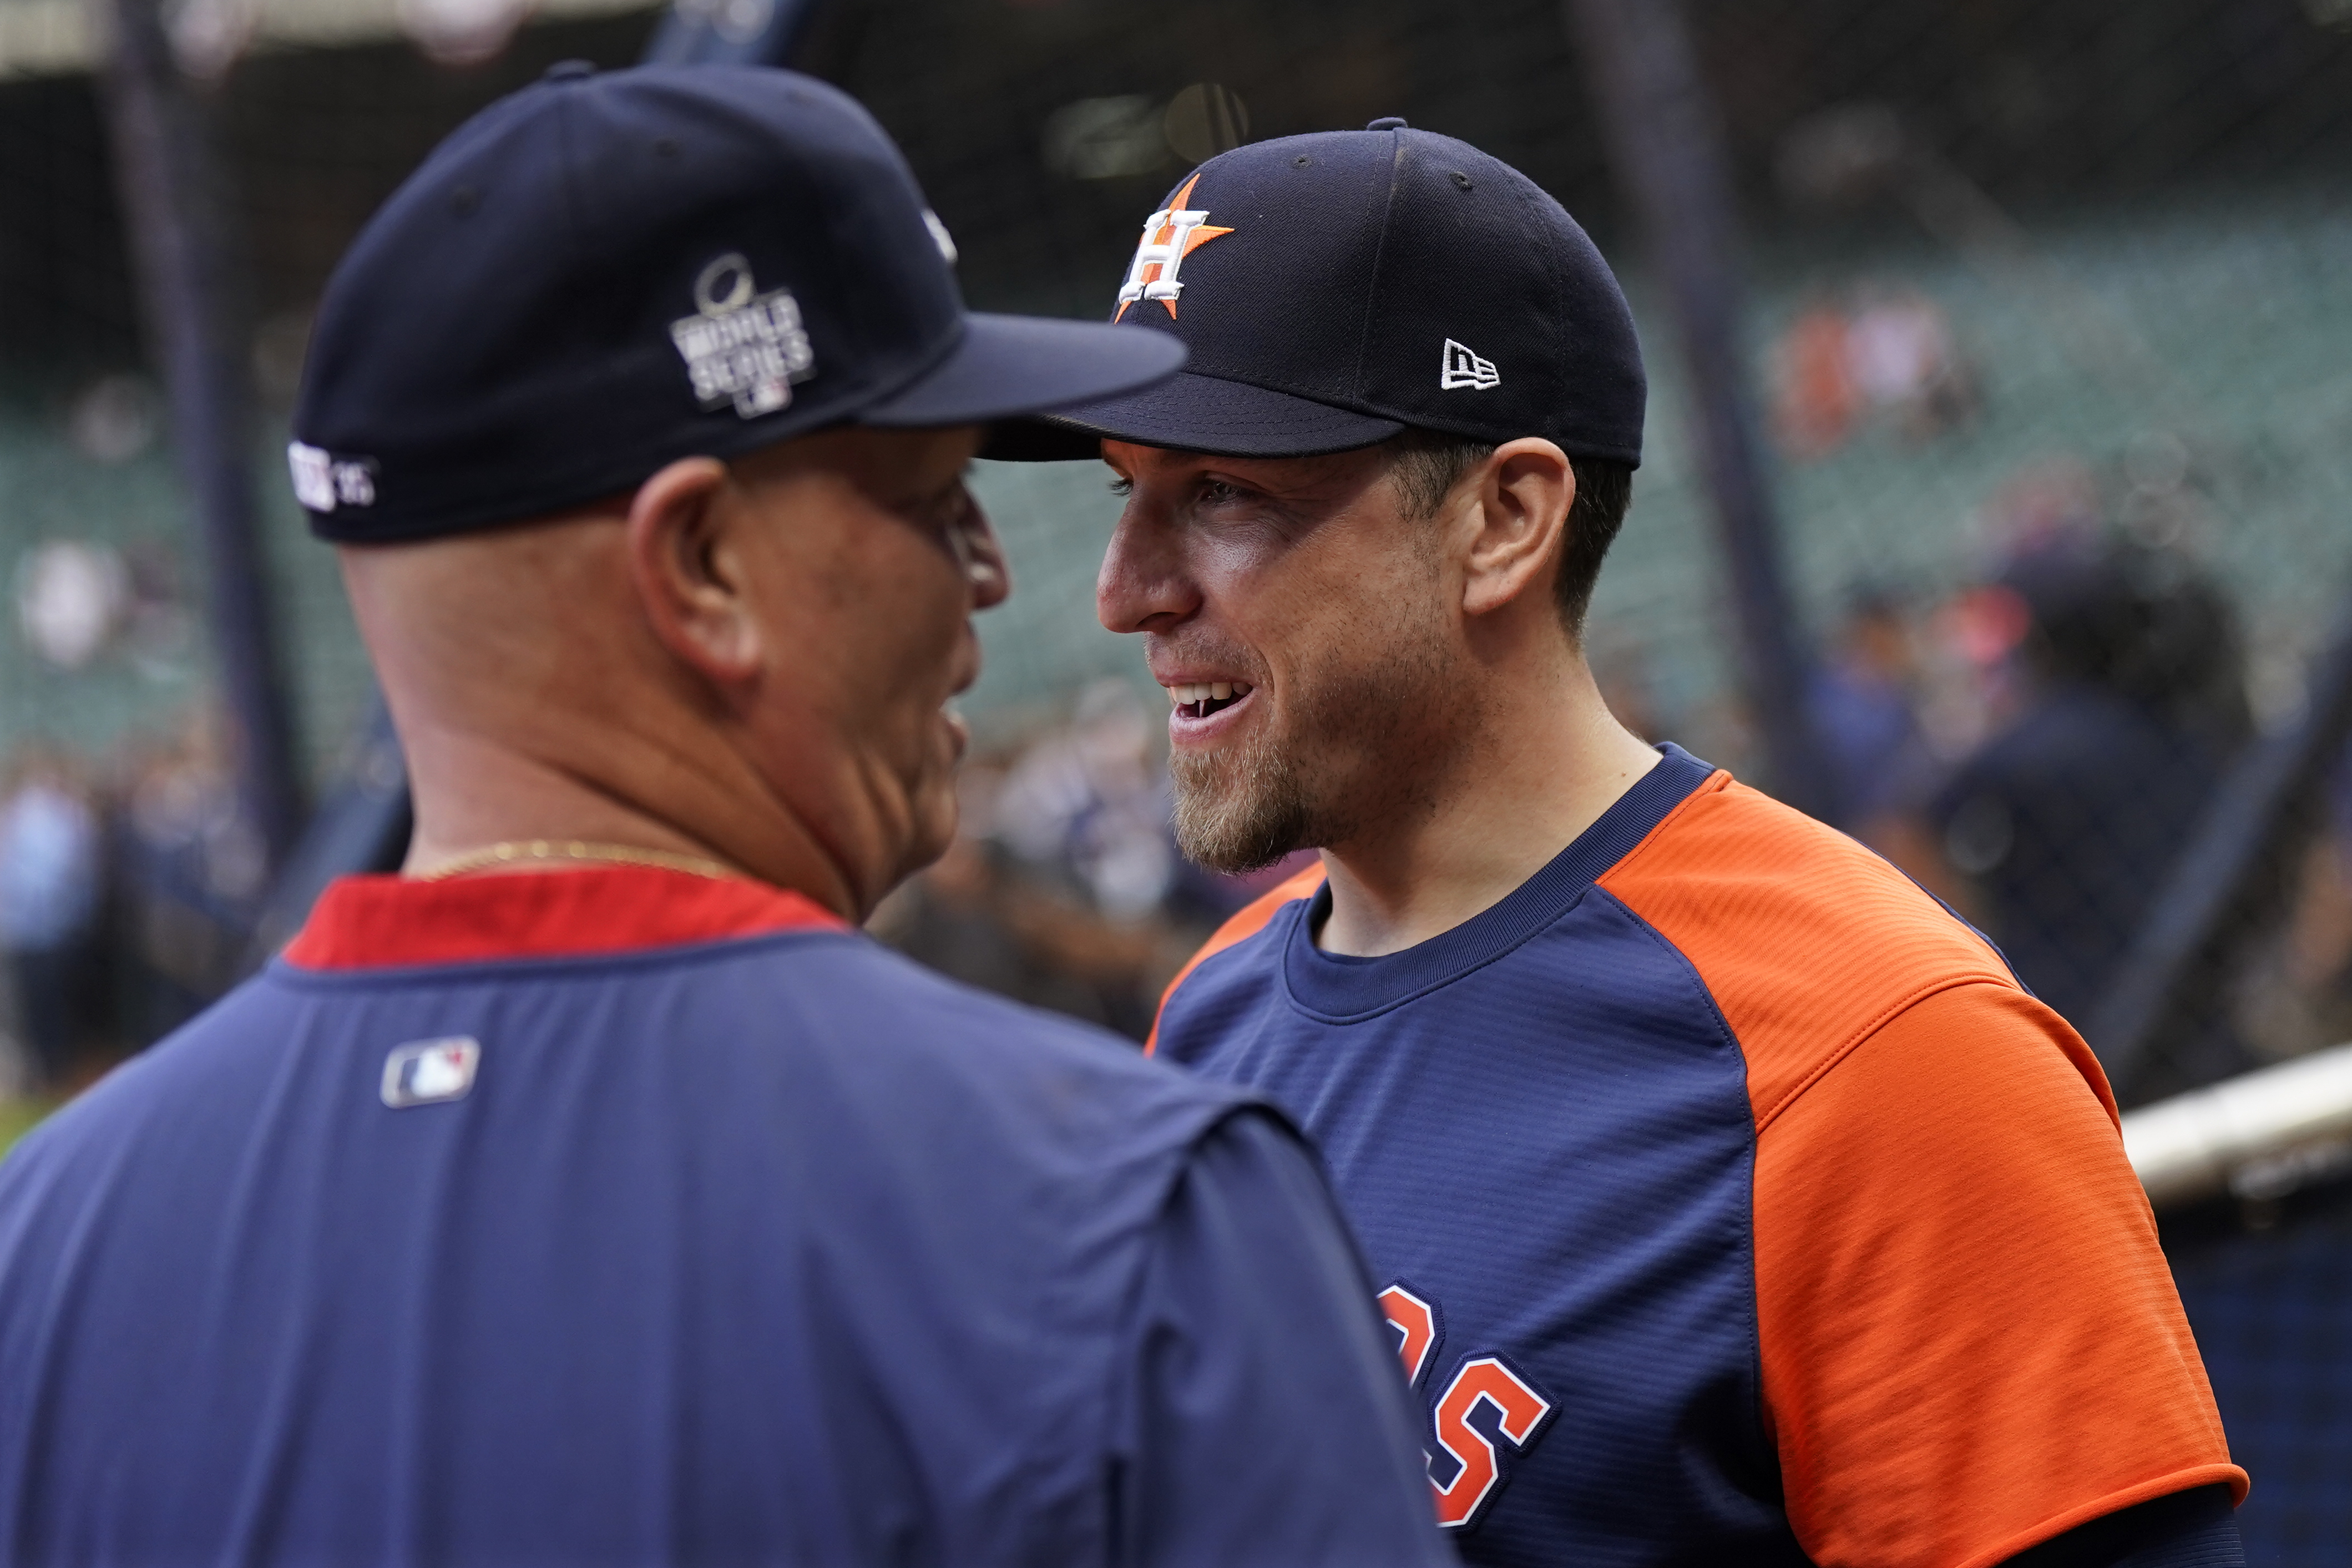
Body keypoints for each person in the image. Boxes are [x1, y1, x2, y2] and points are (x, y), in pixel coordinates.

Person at [0, 67, 1448, 1566]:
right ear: (696, 566)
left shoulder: (38, 1254)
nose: (989, 574)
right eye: (928, 496)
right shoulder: (1130, 1214)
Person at [1001, 122, 2249, 1566]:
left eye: (1219, 492)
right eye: (1123, 493)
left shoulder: (1883, 1057)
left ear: (1502, 519)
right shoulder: (1212, 1016)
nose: (1122, 591)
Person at [0, 751, 104, 1091]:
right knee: (34, 1009)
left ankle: (59, 1073)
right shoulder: (16, 816)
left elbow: (63, 876)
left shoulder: (59, 817)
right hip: (27, 932)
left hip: (55, 930)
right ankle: (47, 1072)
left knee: (58, 1009)